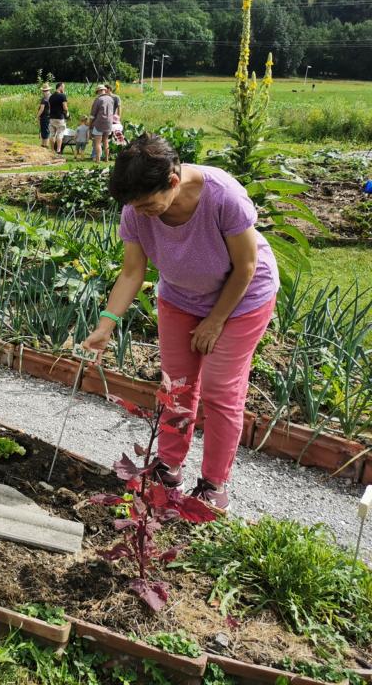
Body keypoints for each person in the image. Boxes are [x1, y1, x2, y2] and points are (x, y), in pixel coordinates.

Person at [81, 134, 279, 510]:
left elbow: (247, 266)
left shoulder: (223, 196)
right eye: (134, 207)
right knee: (177, 386)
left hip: (242, 299)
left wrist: (215, 321)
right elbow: (131, 273)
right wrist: (105, 325)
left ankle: (213, 486)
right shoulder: (136, 210)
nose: (141, 213)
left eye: (147, 205)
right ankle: (168, 467)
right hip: (180, 298)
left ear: (172, 181)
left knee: (221, 391)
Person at [89, 84, 115, 162]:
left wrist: (90, 125)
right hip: (109, 123)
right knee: (106, 141)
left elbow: (93, 114)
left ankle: (98, 160)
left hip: (99, 123)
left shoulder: (98, 100)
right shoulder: (111, 99)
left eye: (97, 92)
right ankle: (106, 159)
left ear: (99, 91)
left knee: (98, 142)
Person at [48, 81, 69, 154]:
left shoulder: (51, 97)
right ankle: (58, 150)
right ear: (60, 87)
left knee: (52, 134)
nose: (64, 89)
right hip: (60, 118)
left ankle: (52, 150)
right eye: (63, 87)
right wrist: (67, 114)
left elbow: (50, 108)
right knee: (60, 134)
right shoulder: (62, 96)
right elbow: (65, 108)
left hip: (52, 118)